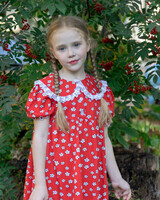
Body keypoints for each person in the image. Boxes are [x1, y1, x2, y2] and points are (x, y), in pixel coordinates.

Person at [23, 16, 131, 200]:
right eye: (62, 48)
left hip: (90, 176)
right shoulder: (46, 90)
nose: (71, 53)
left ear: (88, 44)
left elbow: (103, 139)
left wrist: (116, 177)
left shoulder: (100, 91)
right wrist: (40, 185)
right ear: (53, 52)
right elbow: (39, 137)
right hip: (55, 176)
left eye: (76, 45)